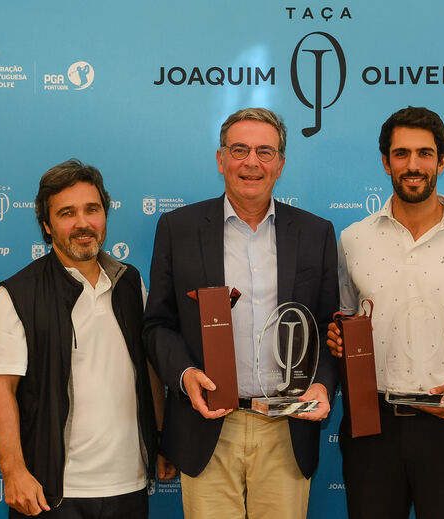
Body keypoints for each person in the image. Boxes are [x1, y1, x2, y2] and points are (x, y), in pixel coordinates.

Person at [143, 107, 339, 519]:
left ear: (281, 164)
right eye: (240, 149)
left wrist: (321, 385)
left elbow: (325, 327)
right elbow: (157, 324)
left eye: (265, 152)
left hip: (287, 429)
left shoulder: (315, 233)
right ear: (221, 160)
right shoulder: (178, 229)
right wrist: (183, 375)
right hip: (208, 428)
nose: (252, 162)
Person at [327, 106, 444, 518]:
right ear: (386, 161)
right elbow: (342, 320)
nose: (413, 165)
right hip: (370, 423)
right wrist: (336, 336)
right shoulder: (353, 239)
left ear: (441, 161)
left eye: (424, 154)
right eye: (401, 153)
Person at [0, 160, 166, 518]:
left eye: (92, 209)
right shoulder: (17, 294)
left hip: (128, 486)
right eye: (67, 213)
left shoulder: (130, 284)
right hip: (51, 493)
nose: (83, 223)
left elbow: (149, 371)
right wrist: (14, 472)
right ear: (47, 226)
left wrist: (160, 440)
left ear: (105, 216)